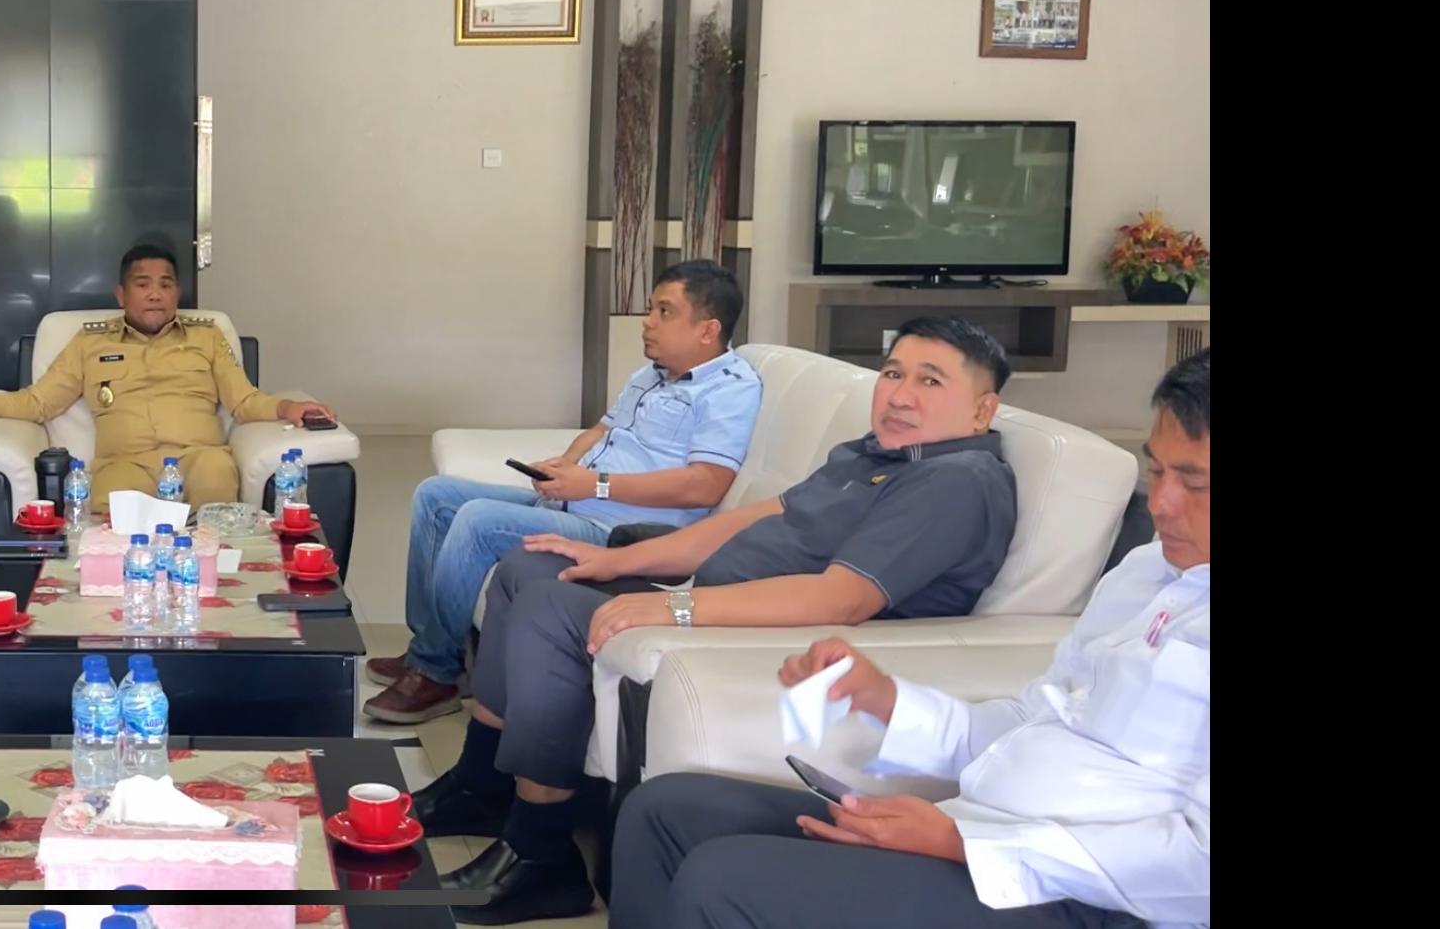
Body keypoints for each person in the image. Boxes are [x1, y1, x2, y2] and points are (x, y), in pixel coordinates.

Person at [422, 317, 1023, 925]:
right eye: (893, 373)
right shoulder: (869, 454)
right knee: (531, 567)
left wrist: (673, 607)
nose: (899, 395)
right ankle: (481, 783)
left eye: (929, 381)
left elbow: (840, 599)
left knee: (551, 605)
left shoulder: (956, 482)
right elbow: (752, 518)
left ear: (982, 410)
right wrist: (616, 560)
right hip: (719, 597)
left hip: (765, 631)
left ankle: (540, 852)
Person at [610, 349, 1209, 929]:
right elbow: (1030, 721)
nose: (1161, 503)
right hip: (980, 829)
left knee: (724, 880)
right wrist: (886, 700)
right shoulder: (1142, 574)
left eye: (1195, 482)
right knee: (665, 812)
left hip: (1084, 895)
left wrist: (966, 845)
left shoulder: (960, 482)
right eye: (1156, 470)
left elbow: (1197, 863)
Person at [367, 260, 762, 724]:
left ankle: (435, 674)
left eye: (664, 311)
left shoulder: (730, 390)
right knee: (436, 496)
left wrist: (595, 484)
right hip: (578, 501)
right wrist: (566, 465)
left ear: (707, 330)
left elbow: (706, 484)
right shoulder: (652, 374)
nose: (647, 322)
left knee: (477, 521)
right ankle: (430, 648)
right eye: (651, 308)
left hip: (622, 532)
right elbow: (602, 430)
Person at [0, 242, 336, 509]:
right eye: (143, 284)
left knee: (215, 491)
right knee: (117, 525)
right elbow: (38, 402)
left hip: (200, 457)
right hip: (124, 463)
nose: (155, 294)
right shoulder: (90, 343)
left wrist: (290, 407)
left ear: (177, 293)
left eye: (166, 285)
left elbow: (244, 401)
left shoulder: (207, 337)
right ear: (121, 295)